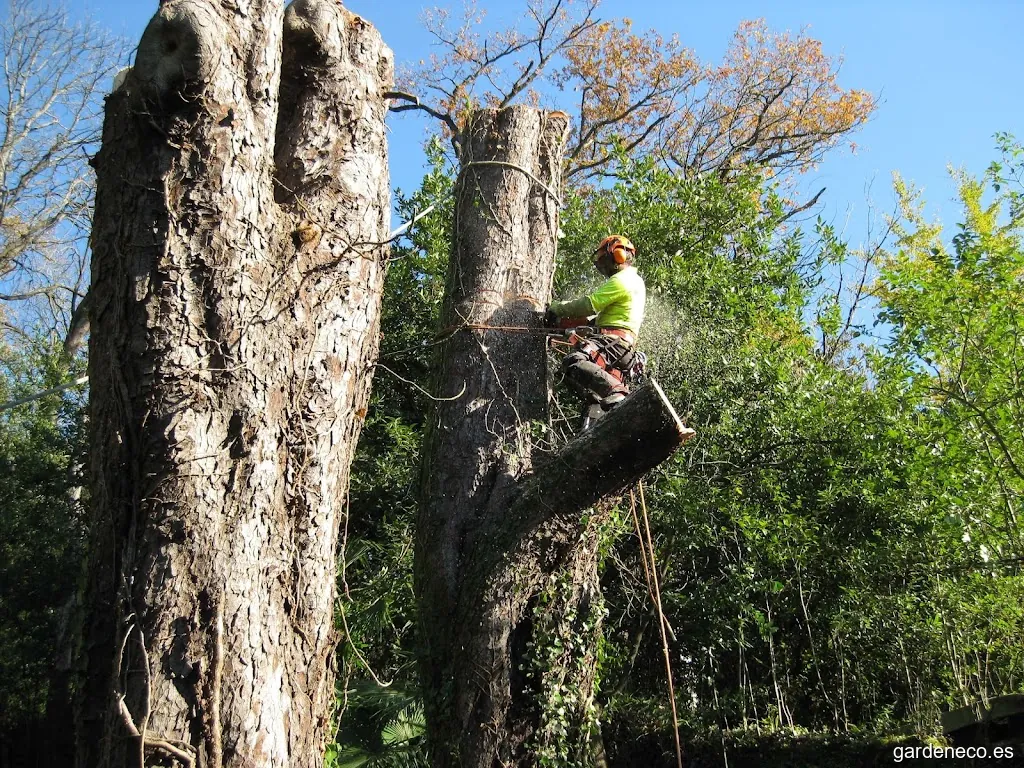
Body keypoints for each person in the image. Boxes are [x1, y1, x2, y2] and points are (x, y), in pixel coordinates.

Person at [545, 234, 646, 414]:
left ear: (618, 256)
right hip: (619, 348)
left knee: (574, 361)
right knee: (590, 394)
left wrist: (556, 309)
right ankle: (602, 412)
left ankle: (618, 392)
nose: (602, 266)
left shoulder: (624, 279)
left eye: (605, 259)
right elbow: (595, 321)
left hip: (613, 344)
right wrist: (563, 325)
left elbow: (589, 305)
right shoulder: (633, 282)